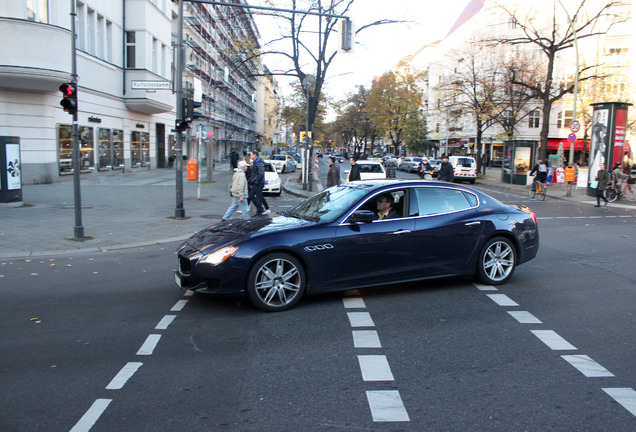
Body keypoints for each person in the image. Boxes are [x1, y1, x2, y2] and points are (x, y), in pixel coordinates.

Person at [249, 150, 266, 216]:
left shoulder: (259, 163)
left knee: (257, 196)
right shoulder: (256, 162)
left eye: (251, 154)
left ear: (255, 155)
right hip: (256, 182)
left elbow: (260, 173)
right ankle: (260, 209)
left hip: (259, 182)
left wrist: (255, 181)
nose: (250, 156)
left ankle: (259, 211)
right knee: (252, 195)